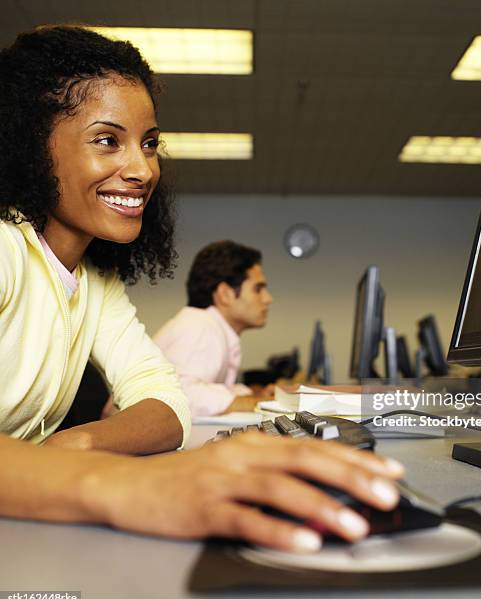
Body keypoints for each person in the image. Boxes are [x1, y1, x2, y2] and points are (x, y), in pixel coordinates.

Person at [0, 25, 404, 552]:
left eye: (149, 144)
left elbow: (168, 405)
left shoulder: (96, 282)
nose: (143, 169)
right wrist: (122, 484)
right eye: (107, 140)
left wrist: (69, 448)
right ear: (31, 149)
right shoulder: (7, 251)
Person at [155, 240, 274, 415]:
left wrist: (252, 394)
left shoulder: (207, 325)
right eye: (258, 289)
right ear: (225, 294)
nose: (268, 299)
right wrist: (261, 402)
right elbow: (181, 395)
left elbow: (207, 389)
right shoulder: (200, 326)